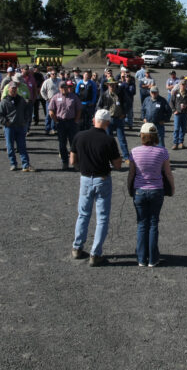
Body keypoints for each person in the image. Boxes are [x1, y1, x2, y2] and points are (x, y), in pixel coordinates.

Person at [70, 109, 122, 266]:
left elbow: (72, 160)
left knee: (83, 214)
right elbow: (118, 165)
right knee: (102, 217)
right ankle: (95, 253)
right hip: (102, 179)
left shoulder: (79, 136)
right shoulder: (108, 140)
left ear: (94, 120)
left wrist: (83, 168)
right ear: (107, 123)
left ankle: (77, 247)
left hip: (85, 178)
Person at [128, 122, 174, 267]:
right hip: (156, 190)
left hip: (139, 190)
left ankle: (141, 258)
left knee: (142, 223)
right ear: (155, 136)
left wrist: (130, 187)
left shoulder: (134, 152)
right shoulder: (162, 152)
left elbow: (131, 173)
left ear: (142, 136)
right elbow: (167, 172)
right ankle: (153, 259)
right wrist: (172, 187)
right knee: (153, 223)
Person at [0, 79, 34, 171]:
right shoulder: (4, 101)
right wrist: (6, 122)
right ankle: (13, 163)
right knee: (10, 147)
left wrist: (25, 120)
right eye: (12, 88)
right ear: (8, 89)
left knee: (22, 146)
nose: (14, 90)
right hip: (9, 127)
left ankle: (25, 165)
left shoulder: (21, 100)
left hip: (20, 126)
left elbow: (27, 111)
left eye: (15, 88)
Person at [48, 80, 82, 170]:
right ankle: (65, 162)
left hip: (71, 122)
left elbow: (79, 109)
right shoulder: (55, 97)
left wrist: (76, 121)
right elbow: (51, 110)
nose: (64, 89)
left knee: (73, 144)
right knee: (62, 144)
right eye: (62, 87)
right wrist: (56, 120)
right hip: (61, 122)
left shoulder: (74, 97)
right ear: (59, 88)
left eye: (66, 87)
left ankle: (75, 162)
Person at [97, 78, 129, 162]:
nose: (112, 86)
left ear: (116, 85)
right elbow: (98, 106)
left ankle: (126, 157)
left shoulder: (121, 94)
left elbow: (127, 103)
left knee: (122, 139)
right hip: (108, 120)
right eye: (110, 85)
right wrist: (102, 115)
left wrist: (124, 113)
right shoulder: (104, 95)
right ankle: (110, 157)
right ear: (107, 85)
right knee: (108, 140)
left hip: (119, 119)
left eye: (113, 84)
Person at [170, 79, 187, 149]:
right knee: (176, 128)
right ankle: (175, 143)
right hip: (177, 113)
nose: (183, 86)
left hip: (185, 113)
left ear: (186, 86)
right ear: (179, 85)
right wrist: (174, 110)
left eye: (184, 85)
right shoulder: (176, 93)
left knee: (183, 129)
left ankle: (181, 142)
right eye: (182, 85)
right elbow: (171, 102)